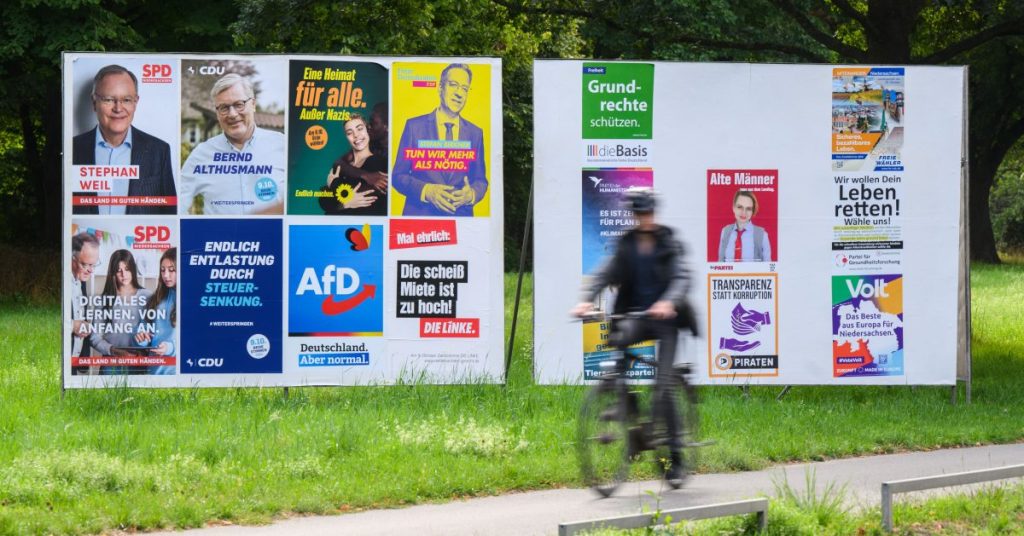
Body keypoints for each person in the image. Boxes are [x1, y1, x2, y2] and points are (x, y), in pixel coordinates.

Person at [571, 187, 696, 486]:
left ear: (654, 212)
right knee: (618, 348)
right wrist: (587, 299)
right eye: (639, 214)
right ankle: (630, 416)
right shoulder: (626, 245)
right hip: (637, 317)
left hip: (667, 320)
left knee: (662, 385)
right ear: (633, 215)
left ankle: (675, 456)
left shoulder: (669, 242)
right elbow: (605, 273)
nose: (644, 219)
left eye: (647, 213)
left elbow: (681, 276)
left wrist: (669, 301)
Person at [72, 64, 177, 215]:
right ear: (94, 102)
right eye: (109, 99)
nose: (118, 108)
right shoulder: (72, 149)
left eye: (126, 100)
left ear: (136, 102)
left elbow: (170, 213)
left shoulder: (159, 151)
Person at [180, 73, 286, 215]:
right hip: (219, 237)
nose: (232, 114)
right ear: (217, 113)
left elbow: (300, 197)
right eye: (224, 107)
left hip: (272, 236)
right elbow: (177, 202)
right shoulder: (202, 154)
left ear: (253, 104)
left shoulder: (282, 145)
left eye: (239, 104)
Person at [392, 63, 487, 216]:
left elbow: (480, 181)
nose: (459, 93)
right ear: (440, 88)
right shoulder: (414, 126)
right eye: (453, 85)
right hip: (420, 220)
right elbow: (397, 176)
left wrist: (471, 195)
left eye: (464, 88)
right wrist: (427, 191)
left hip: (461, 220)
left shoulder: (475, 133)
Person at [88, 249, 152, 374]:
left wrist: (145, 349)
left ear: (133, 269)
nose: (124, 274)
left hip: (139, 362)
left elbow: (155, 331)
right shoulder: (105, 300)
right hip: (112, 363)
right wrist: (113, 350)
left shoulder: (148, 296)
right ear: (113, 273)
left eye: (127, 269)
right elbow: (94, 337)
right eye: (119, 270)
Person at [319, 113, 388, 215]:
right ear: (346, 137)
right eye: (349, 133)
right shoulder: (342, 165)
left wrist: (334, 184)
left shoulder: (380, 162)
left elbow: (367, 195)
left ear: (367, 130)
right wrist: (345, 204)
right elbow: (323, 201)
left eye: (359, 129)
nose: (356, 135)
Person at [135, 248, 177, 375]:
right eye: (163, 270)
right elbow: (144, 330)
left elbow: (196, 341)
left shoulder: (193, 300)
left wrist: (170, 348)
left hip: (177, 373)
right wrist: (142, 338)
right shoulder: (155, 299)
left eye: (171, 270)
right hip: (154, 371)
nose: (165, 275)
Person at [70, 232, 100, 374]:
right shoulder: (62, 282)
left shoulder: (81, 281)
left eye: (93, 265)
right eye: (85, 264)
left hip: (75, 362)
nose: (90, 270)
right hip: (60, 360)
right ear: (72, 258)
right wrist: (72, 325)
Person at [717, 190, 771, 262]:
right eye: (740, 207)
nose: (744, 212)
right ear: (733, 208)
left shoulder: (762, 235)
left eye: (748, 209)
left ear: (752, 211)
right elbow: (720, 263)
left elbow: (768, 268)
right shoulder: (725, 231)